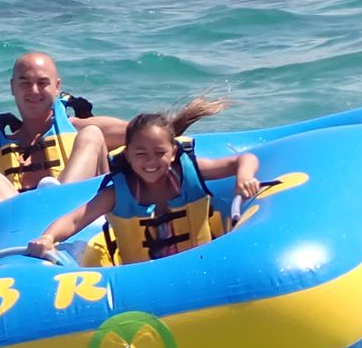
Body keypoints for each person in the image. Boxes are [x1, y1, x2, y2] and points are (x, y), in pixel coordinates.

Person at [27, 98, 258, 264]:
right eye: (141, 154)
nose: (151, 162)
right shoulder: (118, 193)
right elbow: (76, 219)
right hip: (141, 283)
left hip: (200, 268)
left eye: (159, 153)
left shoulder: (189, 172)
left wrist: (244, 177)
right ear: (127, 155)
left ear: (174, 152)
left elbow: (244, 159)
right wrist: (48, 238)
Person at [0, 52, 127, 208]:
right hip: (23, 227)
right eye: (25, 83)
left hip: (74, 217)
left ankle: (59, 197)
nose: (33, 91)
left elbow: (146, 134)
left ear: (57, 87)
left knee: (92, 134)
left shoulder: (79, 129)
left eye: (42, 83)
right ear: (12, 87)